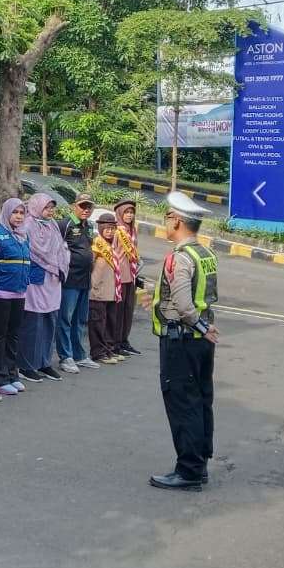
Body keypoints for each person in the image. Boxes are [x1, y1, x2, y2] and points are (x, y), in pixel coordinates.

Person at [145, 191, 219, 491]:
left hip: (182, 340)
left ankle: (188, 471)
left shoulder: (180, 257)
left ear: (176, 221)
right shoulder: (205, 254)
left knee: (182, 403)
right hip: (201, 342)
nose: (166, 223)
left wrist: (198, 324)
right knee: (200, 401)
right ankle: (200, 464)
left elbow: (185, 305)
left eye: (167, 217)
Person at [19, 194, 69, 382]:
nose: (50, 211)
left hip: (53, 280)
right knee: (33, 323)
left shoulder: (53, 224)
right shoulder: (27, 225)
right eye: (46, 208)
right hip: (35, 280)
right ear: (37, 207)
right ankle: (26, 365)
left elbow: (61, 249)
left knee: (49, 321)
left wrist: (61, 265)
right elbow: (31, 250)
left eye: (52, 208)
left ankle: (44, 362)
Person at [0, 197, 30, 395]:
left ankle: (12, 374)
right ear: (6, 213)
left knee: (13, 335)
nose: (19, 217)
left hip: (19, 293)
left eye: (22, 213)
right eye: (15, 212)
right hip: (1, 293)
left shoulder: (23, 236)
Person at [58, 194, 100, 371]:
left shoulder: (89, 226)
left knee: (81, 319)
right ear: (74, 206)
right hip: (70, 279)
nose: (86, 210)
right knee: (66, 319)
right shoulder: (65, 224)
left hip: (85, 279)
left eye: (89, 207)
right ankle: (65, 356)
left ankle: (80, 355)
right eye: (83, 206)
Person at [88, 210, 125, 365]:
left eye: (112, 229)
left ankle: (108, 349)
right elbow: (89, 267)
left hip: (111, 291)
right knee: (98, 323)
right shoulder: (96, 245)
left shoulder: (113, 245)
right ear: (101, 229)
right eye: (107, 229)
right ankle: (98, 352)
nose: (109, 232)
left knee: (110, 322)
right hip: (97, 292)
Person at [113, 198, 142, 356]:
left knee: (128, 310)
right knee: (117, 312)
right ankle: (115, 343)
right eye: (126, 212)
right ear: (120, 213)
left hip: (131, 276)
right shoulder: (116, 230)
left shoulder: (132, 230)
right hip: (119, 276)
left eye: (132, 212)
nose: (129, 215)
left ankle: (124, 340)